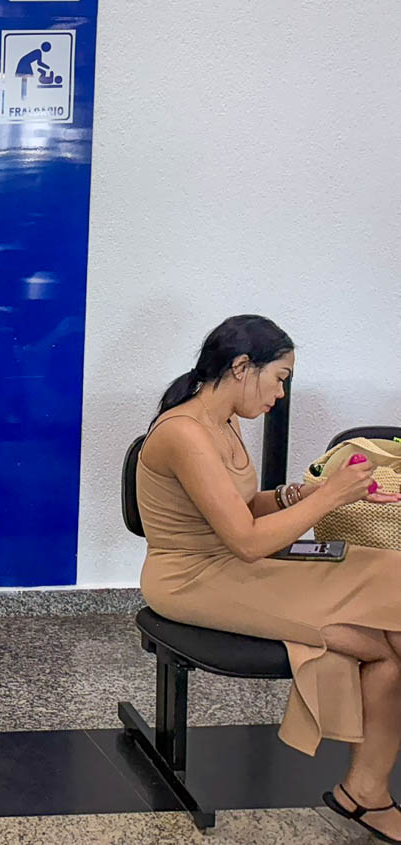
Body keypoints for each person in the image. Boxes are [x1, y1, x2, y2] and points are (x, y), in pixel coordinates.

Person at [139, 315, 401, 842]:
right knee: (384, 645)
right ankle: (368, 794)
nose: (281, 393)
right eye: (279, 377)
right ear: (241, 368)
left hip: (236, 563)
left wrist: (295, 496)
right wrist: (329, 497)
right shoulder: (183, 434)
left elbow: (239, 509)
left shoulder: (225, 421)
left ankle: (365, 791)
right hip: (193, 578)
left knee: (390, 573)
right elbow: (248, 540)